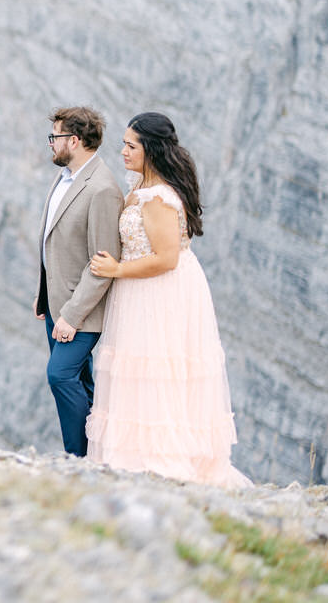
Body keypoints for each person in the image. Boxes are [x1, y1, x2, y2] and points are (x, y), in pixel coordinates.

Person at [84, 112, 250, 487]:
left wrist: (116, 271)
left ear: (151, 150)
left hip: (158, 292)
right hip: (144, 290)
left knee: (154, 368)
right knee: (141, 369)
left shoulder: (158, 197)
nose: (123, 151)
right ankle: (132, 459)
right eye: (124, 143)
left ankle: (155, 461)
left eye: (131, 145)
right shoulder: (142, 186)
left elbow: (165, 258)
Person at [36, 106, 123, 456]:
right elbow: (54, 241)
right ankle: (97, 455)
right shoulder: (65, 178)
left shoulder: (102, 189)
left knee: (60, 375)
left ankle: (78, 457)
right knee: (82, 381)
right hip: (55, 303)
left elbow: (102, 261)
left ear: (74, 140)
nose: (51, 145)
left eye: (55, 138)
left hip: (80, 310)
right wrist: (42, 294)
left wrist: (72, 315)